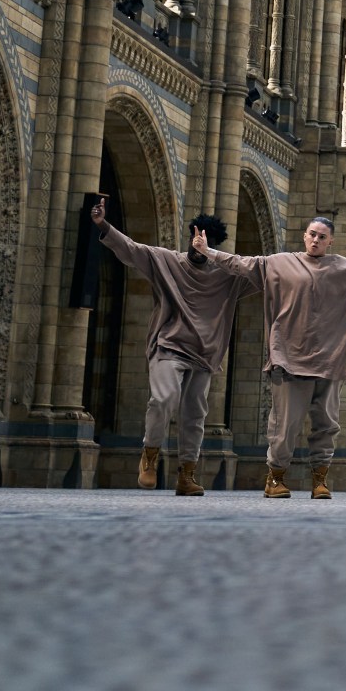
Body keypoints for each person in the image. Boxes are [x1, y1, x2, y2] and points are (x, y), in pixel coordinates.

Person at [198, 216, 346, 500]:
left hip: (330, 360)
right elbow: (241, 263)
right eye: (312, 234)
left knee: (326, 425)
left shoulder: (344, 268)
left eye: (322, 237)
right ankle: (275, 478)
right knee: (284, 426)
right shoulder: (278, 263)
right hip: (289, 359)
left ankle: (320, 480)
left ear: (330, 241)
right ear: (305, 236)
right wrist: (208, 251)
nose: (316, 240)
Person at [89, 197, 262, 496]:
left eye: (204, 244)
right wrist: (103, 225)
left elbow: (264, 273)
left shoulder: (227, 277)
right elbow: (132, 250)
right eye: (195, 239)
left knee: (195, 413)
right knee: (163, 398)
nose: (197, 247)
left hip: (205, 355)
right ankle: (150, 455)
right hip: (169, 346)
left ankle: (187, 474)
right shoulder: (167, 261)